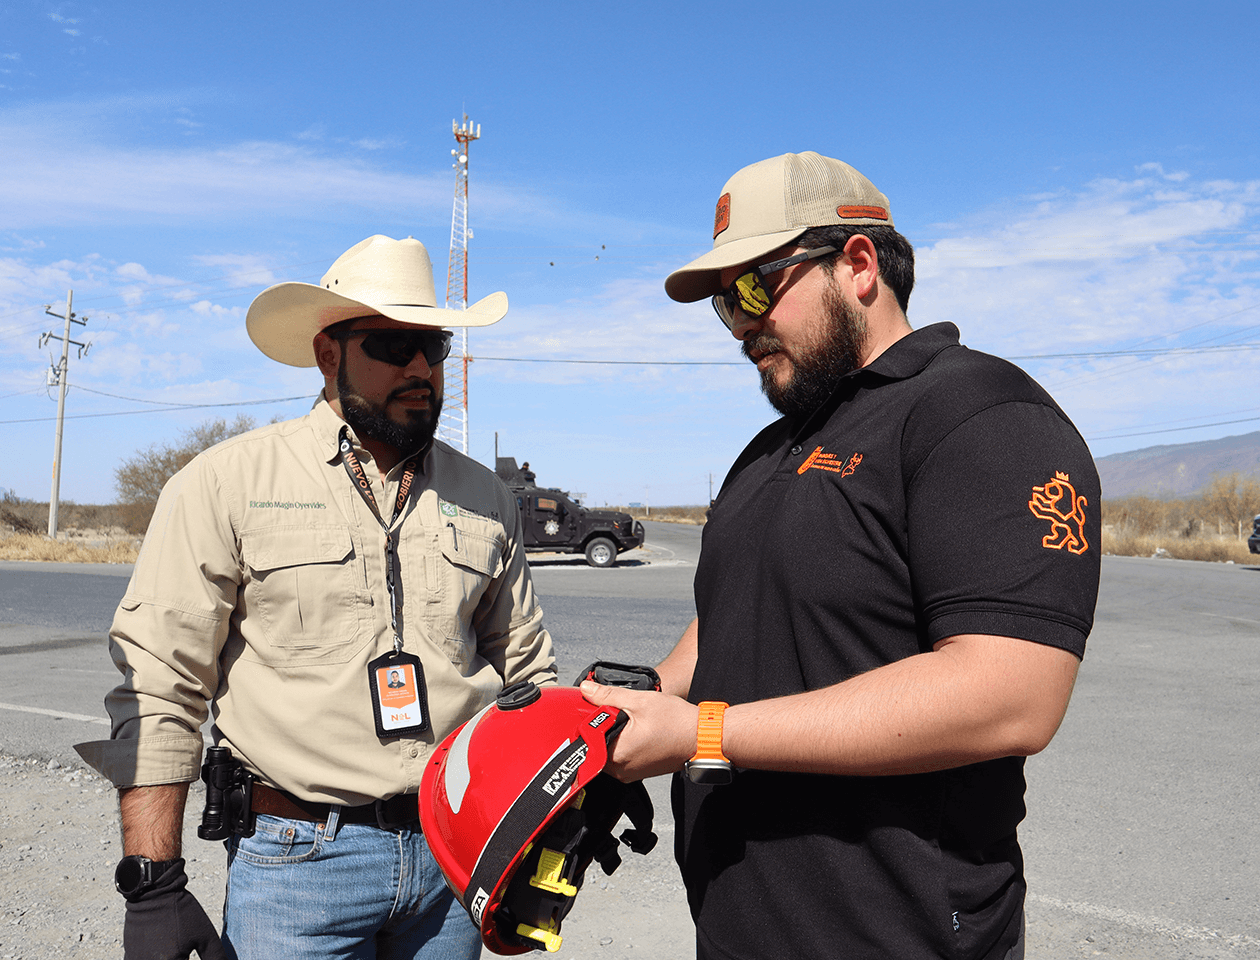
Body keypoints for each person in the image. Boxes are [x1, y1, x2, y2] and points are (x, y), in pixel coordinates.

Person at [582, 153, 1100, 960]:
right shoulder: (769, 450)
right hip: (735, 926)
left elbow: (1012, 695)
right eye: (725, 305)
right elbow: (736, 610)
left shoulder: (979, 415)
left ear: (858, 265)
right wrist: (640, 699)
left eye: (755, 289)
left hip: (895, 935)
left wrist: (703, 733)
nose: (741, 325)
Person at [76, 235, 556, 960]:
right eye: (393, 345)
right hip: (299, 866)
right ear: (328, 354)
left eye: (433, 346)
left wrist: (547, 831)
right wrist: (154, 884)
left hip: (456, 858)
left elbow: (528, 676)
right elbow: (160, 683)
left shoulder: (485, 496)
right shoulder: (226, 483)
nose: (421, 368)